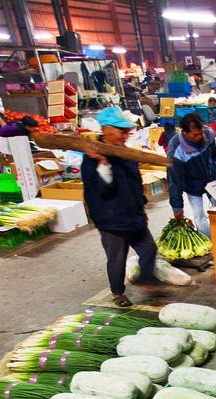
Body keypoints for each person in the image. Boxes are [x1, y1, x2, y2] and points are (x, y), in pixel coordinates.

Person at [82, 106, 160, 308]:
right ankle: (117, 293)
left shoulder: (126, 153)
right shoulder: (91, 158)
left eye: (127, 131)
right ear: (106, 129)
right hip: (111, 218)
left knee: (149, 248)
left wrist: (141, 209)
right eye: (121, 130)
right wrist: (103, 162)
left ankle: (146, 281)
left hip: (133, 215)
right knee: (117, 258)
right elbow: (104, 190)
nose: (126, 135)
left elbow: (135, 184)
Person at [167, 112, 216, 240]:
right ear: (184, 132)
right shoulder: (176, 150)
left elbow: (214, 155)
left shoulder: (209, 135)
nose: (199, 136)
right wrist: (177, 207)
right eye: (195, 134)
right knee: (198, 215)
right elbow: (174, 181)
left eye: (200, 132)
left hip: (213, 180)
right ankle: (210, 243)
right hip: (192, 185)